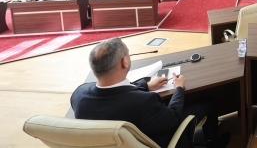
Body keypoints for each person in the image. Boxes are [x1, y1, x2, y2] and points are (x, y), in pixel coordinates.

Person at [70, 38, 229, 148]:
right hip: (156, 140)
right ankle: (213, 143)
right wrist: (179, 88)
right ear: (124, 62)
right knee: (208, 103)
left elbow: (113, 93)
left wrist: (145, 85)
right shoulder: (144, 102)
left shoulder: (79, 94)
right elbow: (173, 117)